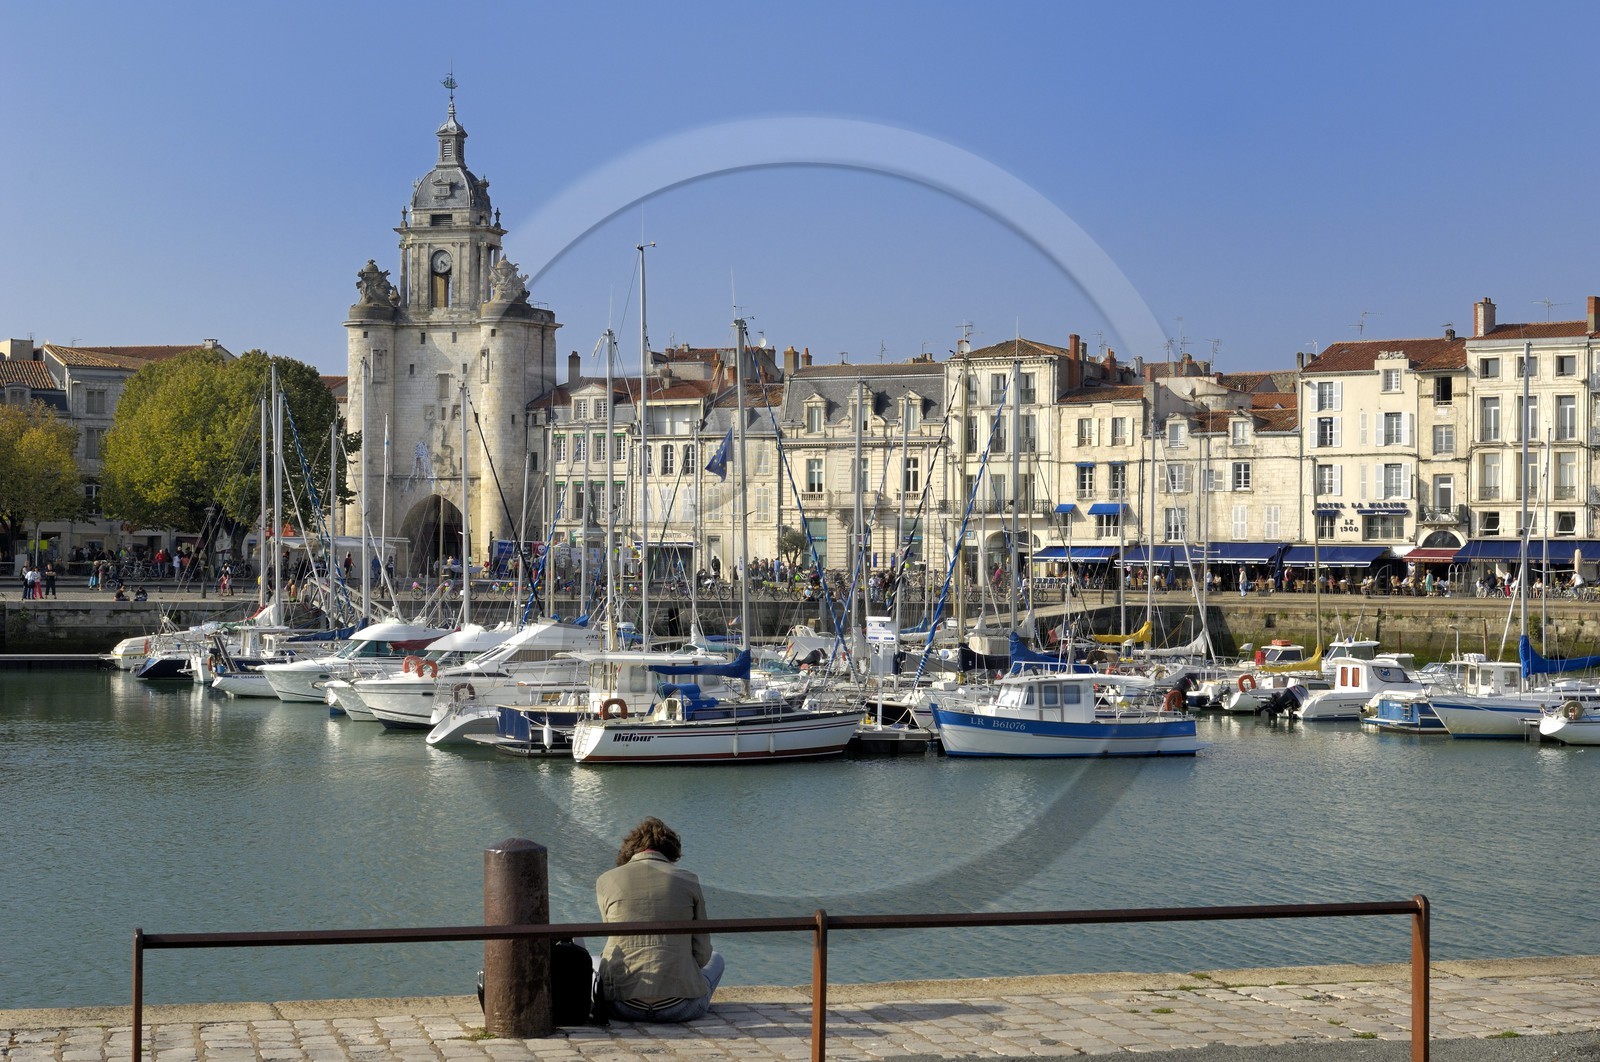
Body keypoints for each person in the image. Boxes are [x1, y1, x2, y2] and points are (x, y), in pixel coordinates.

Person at [595, 817, 724, 1023]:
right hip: (680, 1007)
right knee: (717, 959)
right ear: (672, 853)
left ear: (629, 850)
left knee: (596, 959)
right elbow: (702, 952)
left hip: (620, 1006)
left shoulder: (606, 880)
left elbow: (612, 936)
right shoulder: (688, 879)